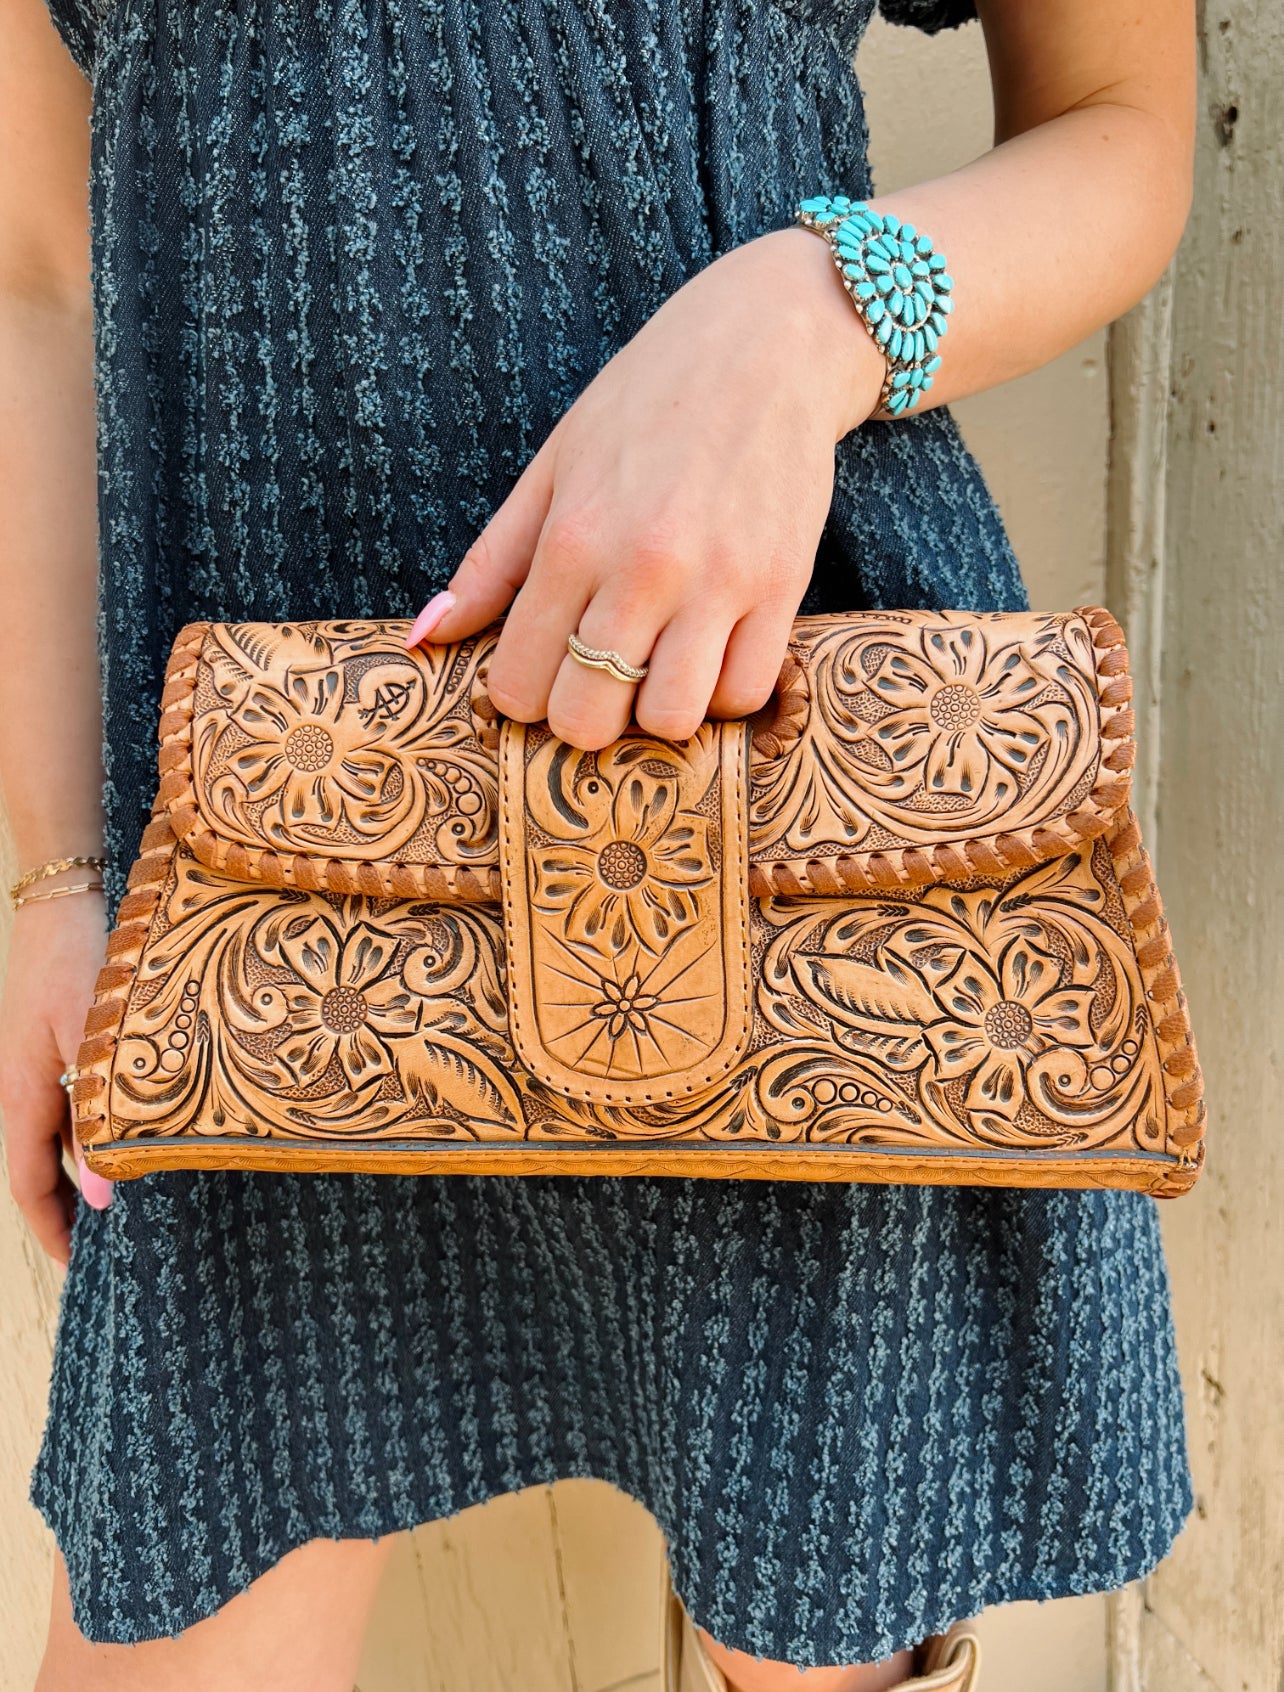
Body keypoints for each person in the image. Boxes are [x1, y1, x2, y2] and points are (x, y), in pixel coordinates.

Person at [0, 0, 1197, 1685]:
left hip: (787, 787)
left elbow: (1128, 125)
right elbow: (41, 276)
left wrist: (803, 318)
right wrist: (59, 877)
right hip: (258, 869)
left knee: (817, 1630)